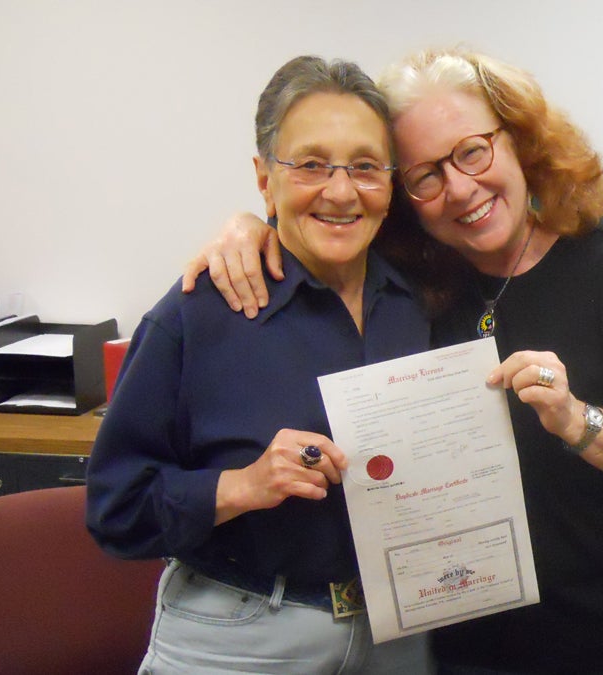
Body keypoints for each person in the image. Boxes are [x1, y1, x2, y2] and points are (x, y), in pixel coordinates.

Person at [183, 48, 603, 675]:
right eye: (424, 175)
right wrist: (251, 225)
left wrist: (581, 422)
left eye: (473, 151)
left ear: (519, 141)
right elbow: (321, 215)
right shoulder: (407, 282)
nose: (460, 188)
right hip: (453, 647)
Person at [85, 55, 433, 674]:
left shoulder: (421, 303)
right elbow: (116, 509)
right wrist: (241, 487)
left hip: (398, 637)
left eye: (364, 166)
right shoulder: (200, 315)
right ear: (263, 177)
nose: (341, 190)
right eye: (311, 164)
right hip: (242, 637)